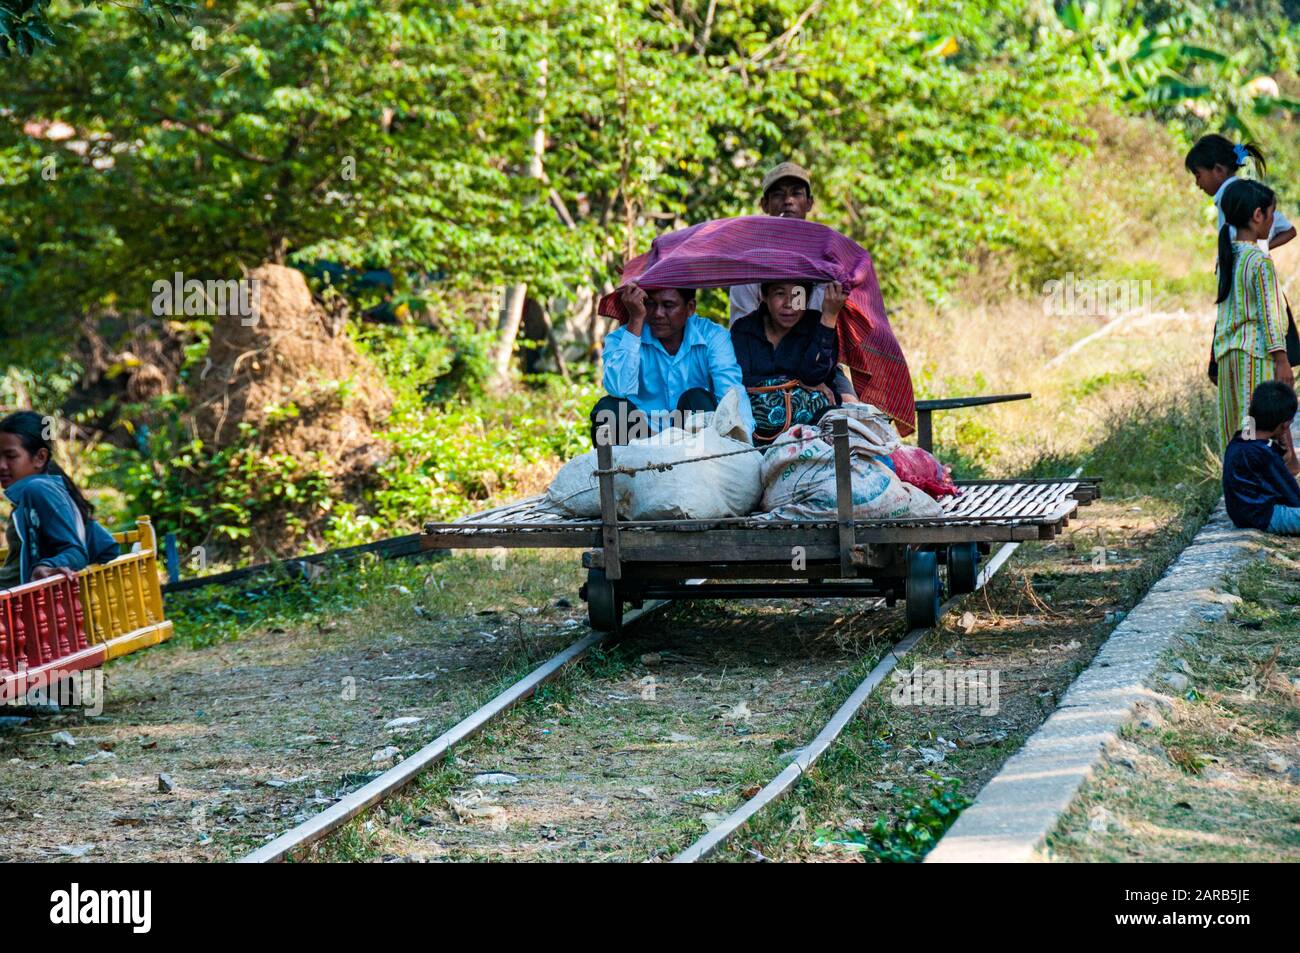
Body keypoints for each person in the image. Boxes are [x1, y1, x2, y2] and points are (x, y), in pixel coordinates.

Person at [727, 161, 856, 404]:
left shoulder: (825, 255)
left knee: (852, 409)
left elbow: (830, 323)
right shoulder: (750, 261)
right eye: (778, 195)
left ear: (809, 202)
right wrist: (797, 385)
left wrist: (815, 374)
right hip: (765, 366)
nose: (788, 201)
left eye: (796, 193)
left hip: (818, 359)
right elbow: (745, 336)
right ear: (765, 205)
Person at [1185, 134, 1300, 384]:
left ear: (1218, 170)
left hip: (1244, 293)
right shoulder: (1231, 196)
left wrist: (1255, 249)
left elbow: (1287, 229)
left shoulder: (1236, 195)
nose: (1197, 183)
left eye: (1198, 174)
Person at [591, 284, 753, 445]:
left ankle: (702, 465)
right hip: (640, 435)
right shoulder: (623, 338)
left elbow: (731, 394)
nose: (658, 314)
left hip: (692, 439)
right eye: (650, 304)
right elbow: (618, 389)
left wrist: (745, 443)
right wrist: (636, 320)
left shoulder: (712, 336)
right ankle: (616, 470)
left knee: (698, 398)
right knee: (609, 409)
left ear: (690, 308)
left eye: (668, 305)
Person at [1213, 180, 1295, 453]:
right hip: (1255, 355)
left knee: (1236, 421)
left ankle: (1237, 473)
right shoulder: (1259, 261)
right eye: (1271, 214)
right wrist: (1282, 361)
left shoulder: (1227, 258)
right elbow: (1270, 313)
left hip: (1228, 354)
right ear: (1257, 215)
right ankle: (1256, 475)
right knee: (1256, 423)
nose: (1273, 222)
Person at [0, 411, 118, 589]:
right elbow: (106, 546)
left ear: (40, 457)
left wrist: (48, 566)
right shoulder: (48, 490)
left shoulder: (36, 489)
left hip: (22, 602)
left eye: (11, 456)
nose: (1, 465)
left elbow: (76, 551)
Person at [731, 280, 857, 442]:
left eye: (798, 295)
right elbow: (741, 380)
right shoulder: (744, 329)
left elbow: (814, 377)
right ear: (764, 295)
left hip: (812, 428)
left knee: (843, 422)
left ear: (808, 298)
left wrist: (829, 316)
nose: (789, 304)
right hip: (755, 428)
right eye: (780, 293)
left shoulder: (819, 326)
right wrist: (794, 382)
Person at [1223, 380, 1300, 534]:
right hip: (1263, 517)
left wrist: (1280, 452)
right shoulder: (1264, 453)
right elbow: (1293, 496)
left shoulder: (1238, 441)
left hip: (1243, 515)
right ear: (1284, 425)